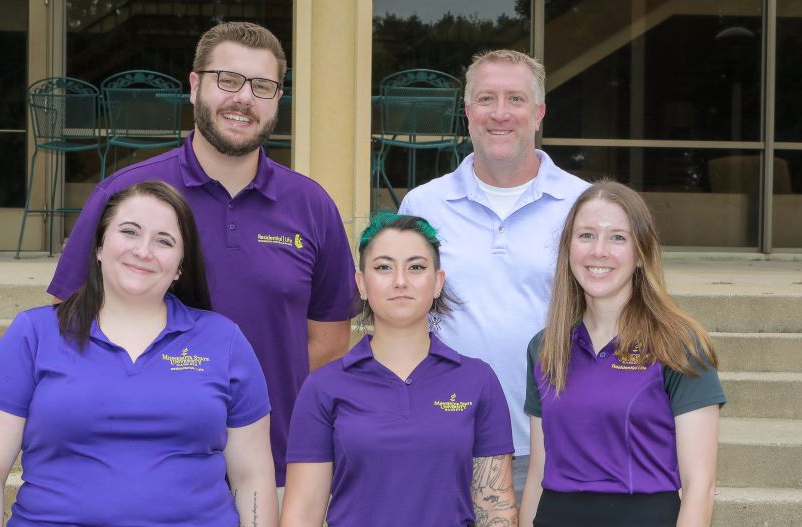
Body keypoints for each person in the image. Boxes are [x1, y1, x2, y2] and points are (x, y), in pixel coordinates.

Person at [46, 21, 358, 487]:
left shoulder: (312, 206)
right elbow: (69, 319)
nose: (244, 98)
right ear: (195, 86)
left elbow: (329, 342)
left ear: (278, 100)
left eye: (263, 86)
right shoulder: (128, 194)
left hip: (274, 468)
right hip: (146, 470)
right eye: (227, 80)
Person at [0, 181, 277, 526]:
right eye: (129, 232)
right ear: (98, 246)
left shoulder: (223, 340)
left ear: (180, 267)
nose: (143, 250)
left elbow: (252, 478)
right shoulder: (33, 335)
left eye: (164, 241)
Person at [399, 49, 590, 498]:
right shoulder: (422, 207)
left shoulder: (585, 206)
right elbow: (398, 321)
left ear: (539, 113)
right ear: (467, 112)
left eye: (516, 100)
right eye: (486, 99)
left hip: (556, 443)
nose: (500, 114)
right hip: (446, 440)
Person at [281, 214, 517, 527]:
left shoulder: (478, 380)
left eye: (416, 267)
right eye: (383, 267)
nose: (400, 280)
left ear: (438, 282)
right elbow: (302, 514)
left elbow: (496, 511)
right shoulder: (323, 387)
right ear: (362, 283)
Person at [519, 181, 725, 527]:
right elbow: (539, 471)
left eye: (617, 237)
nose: (599, 250)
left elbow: (699, 486)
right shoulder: (546, 347)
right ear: (568, 248)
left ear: (641, 254)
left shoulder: (679, 345)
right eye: (586, 235)